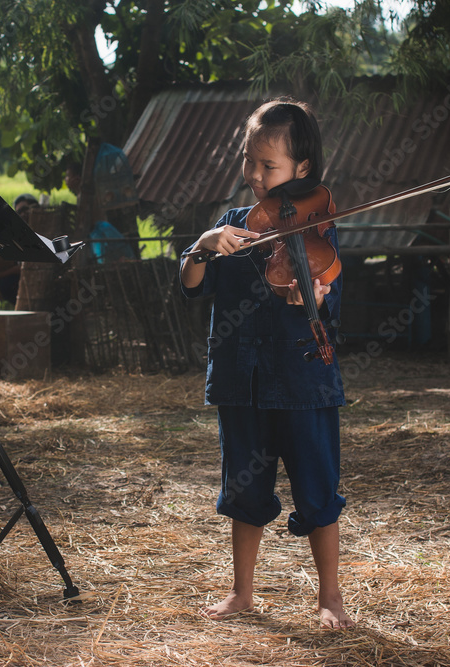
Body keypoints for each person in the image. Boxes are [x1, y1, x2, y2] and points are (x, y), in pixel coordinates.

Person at [179, 98, 353, 629]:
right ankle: (242, 592)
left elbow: (332, 294)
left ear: (302, 169)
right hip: (242, 381)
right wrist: (203, 246)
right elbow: (189, 282)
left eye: (268, 165)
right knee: (243, 490)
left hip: (302, 378)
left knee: (317, 487)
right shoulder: (230, 227)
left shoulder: (318, 226)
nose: (254, 174)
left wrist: (317, 296)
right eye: (248, 161)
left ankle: (330, 597)